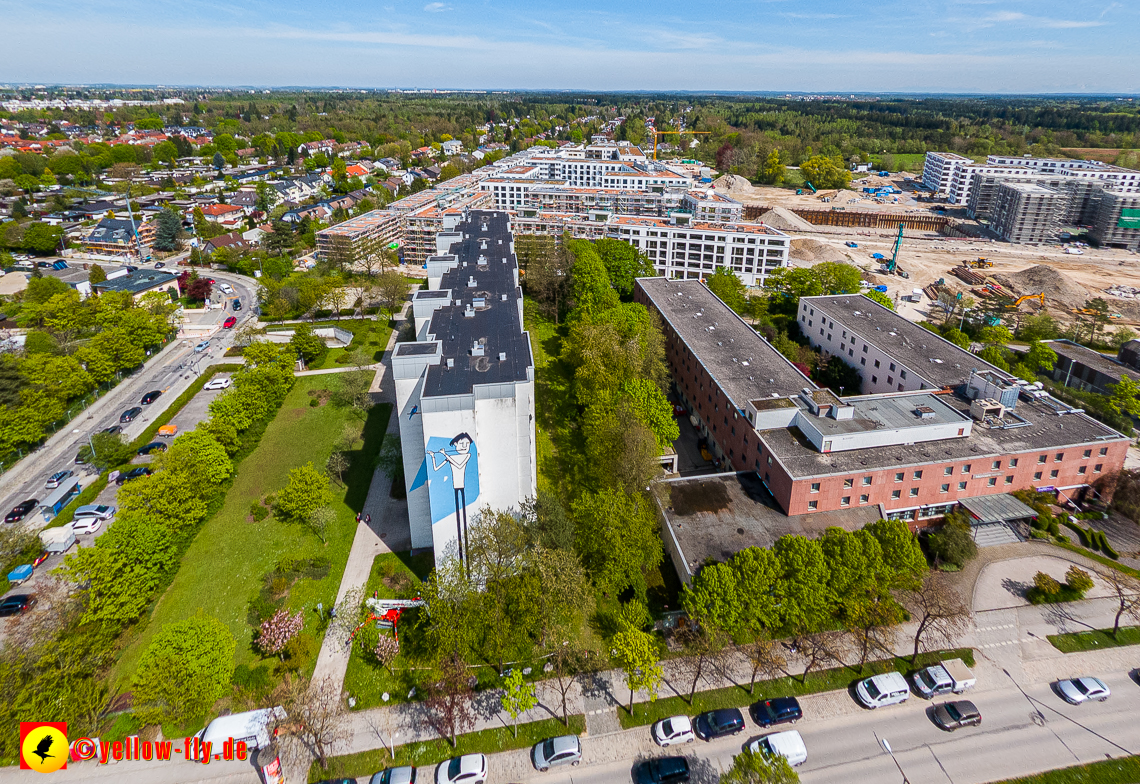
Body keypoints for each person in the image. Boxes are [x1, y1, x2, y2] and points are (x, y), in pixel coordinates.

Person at [428, 432, 474, 562]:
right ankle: (460, 556)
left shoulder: (467, 455)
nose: (465, 446)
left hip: (463, 488)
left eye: (467, 444)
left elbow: (459, 465)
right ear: (455, 444)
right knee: (458, 519)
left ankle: (467, 556)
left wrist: (445, 454)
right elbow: (436, 469)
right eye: (461, 443)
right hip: (454, 488)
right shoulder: (451, 457)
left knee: (464, 517)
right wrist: (433, 456)